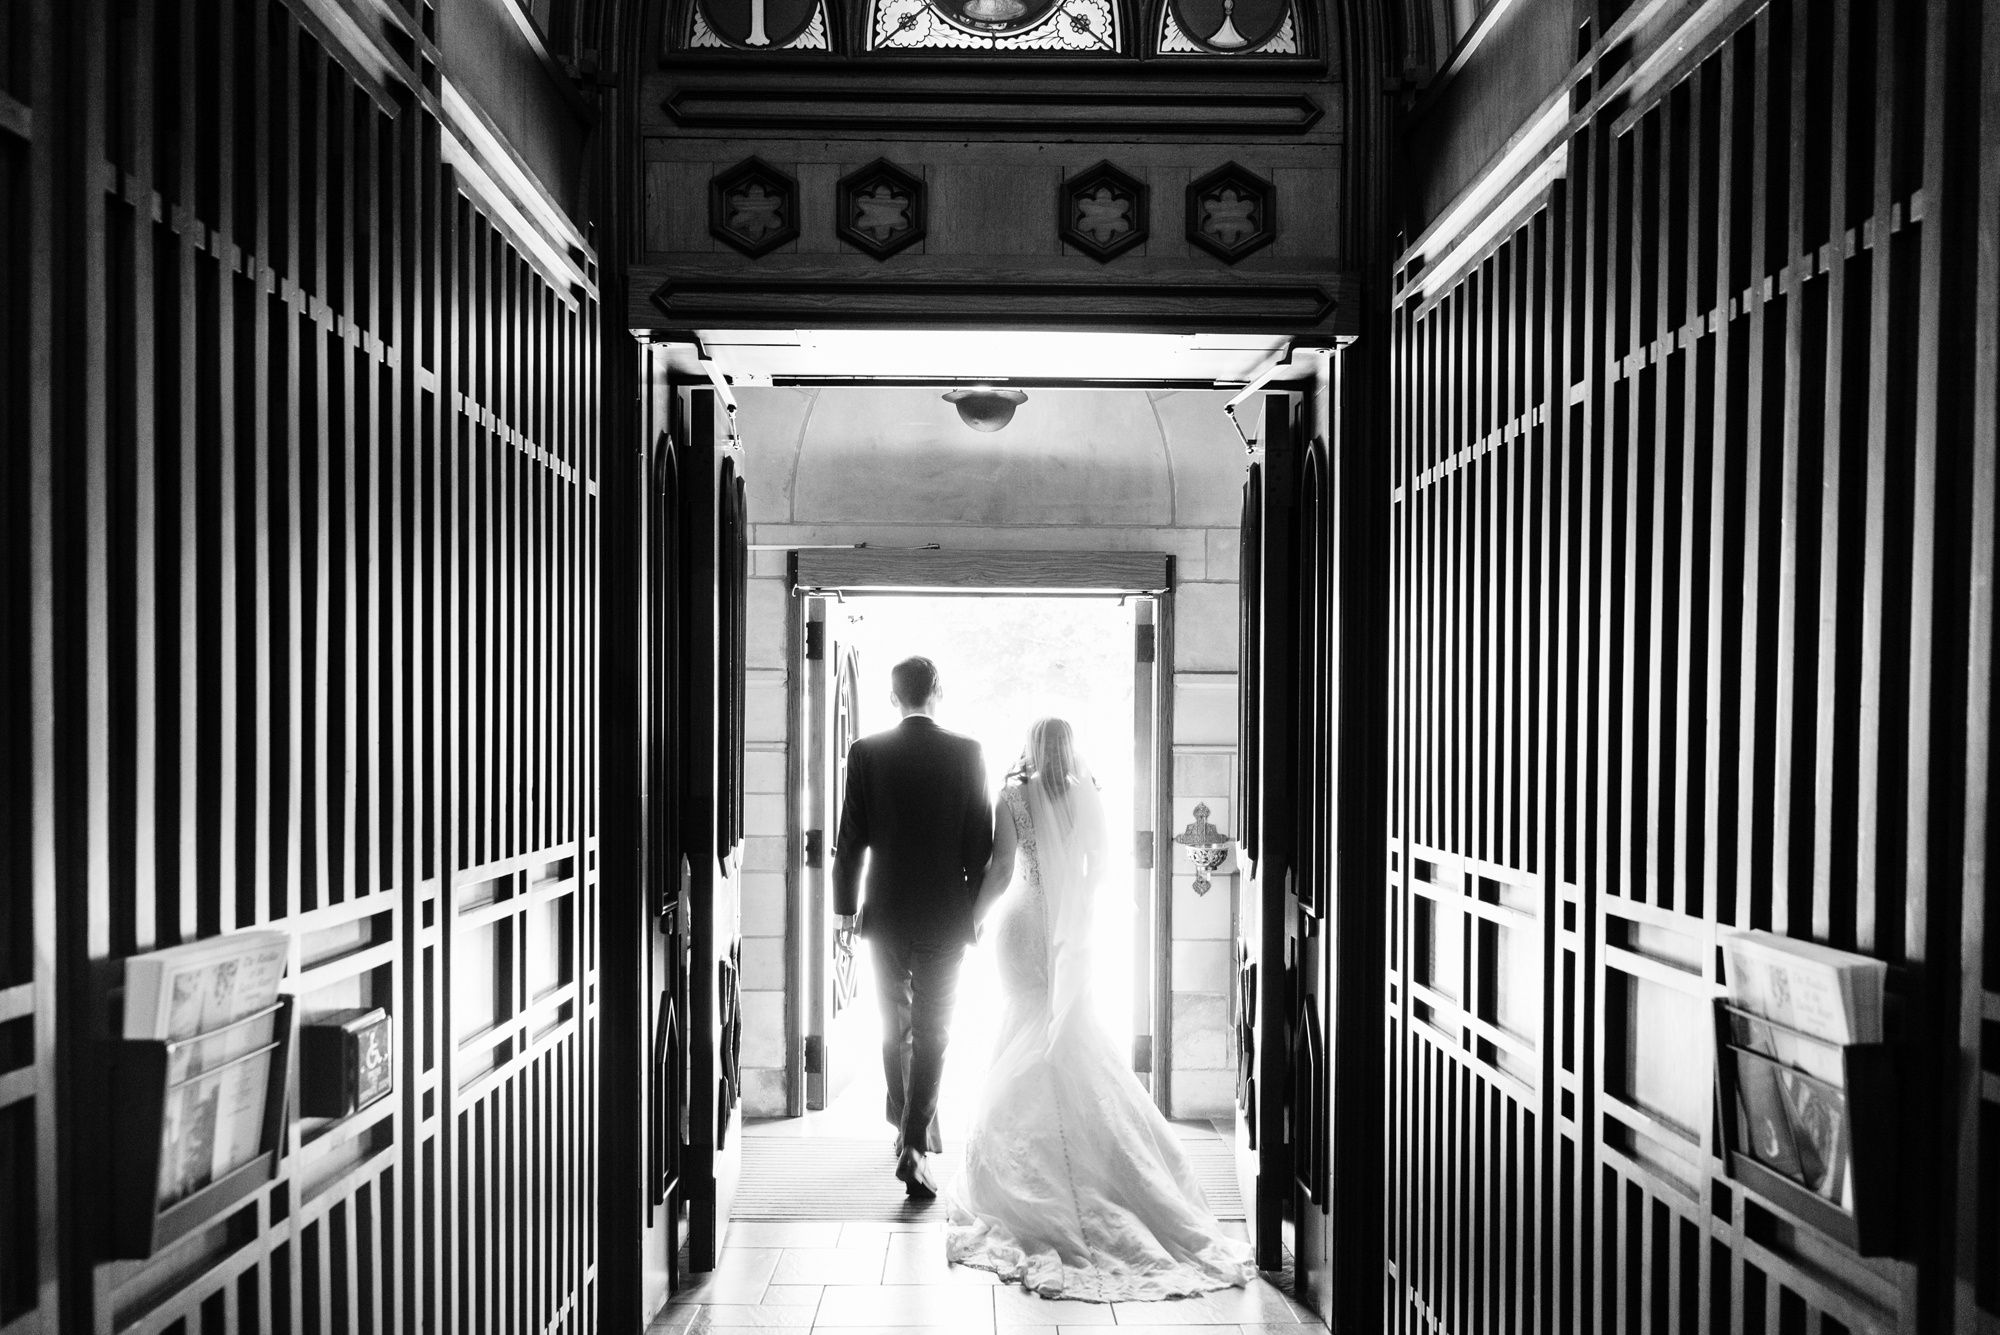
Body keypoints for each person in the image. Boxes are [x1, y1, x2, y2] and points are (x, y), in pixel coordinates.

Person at [945, 717, 1257, 1301]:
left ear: (1033, 747)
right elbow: (1102, 870)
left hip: (1020, 924)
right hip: (1069, 928)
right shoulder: (1089, 795)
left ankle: (1025, 1175)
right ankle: (1109, 1169)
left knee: (1021, 1023)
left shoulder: (1013, 794)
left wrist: (973, 917)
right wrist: (1078, 920)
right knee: (1071, 1032)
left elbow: (1005, 868)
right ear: (1072, 748)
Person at [832, 656, 993, 1199]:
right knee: (934, 1031)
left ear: (893, 696)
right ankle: (915, 1143)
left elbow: (850, 838)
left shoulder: (867, 753)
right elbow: (980, 846)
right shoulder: (967, 752)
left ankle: (904, 1130)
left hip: (885, 911)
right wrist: (969, 911)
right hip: (945, 914)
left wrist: (844, 908)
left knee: (892, 1024)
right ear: (938, 690)